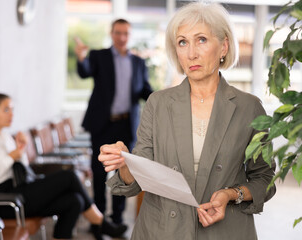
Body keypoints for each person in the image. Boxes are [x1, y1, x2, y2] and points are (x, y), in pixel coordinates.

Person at [98, 2, 276, 240]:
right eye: (183, 42)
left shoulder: (250, 107)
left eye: (201, 39)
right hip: (161, 230)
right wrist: (124, 162)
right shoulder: (157, 103)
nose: (191, 53)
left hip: (225, 231)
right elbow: (138, 180)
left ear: (224, 46)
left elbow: (265, 180)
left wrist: (231, 194)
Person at [0, 93, 127, 240]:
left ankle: (99, 223)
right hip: (1, 201)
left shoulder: (5, 137)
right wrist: (10, 157)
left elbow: (22, 169)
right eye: (6, 110)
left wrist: (20, 151)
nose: (11, 114)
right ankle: (101, 223)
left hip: (18, 190)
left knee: (74, 201)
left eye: (12, 109)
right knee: (69, 177)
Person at [74, 18, 153, 225]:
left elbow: (145, 90)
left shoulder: (138, 62)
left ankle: (117, 219)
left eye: (126, 33)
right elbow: (84, 72)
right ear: (112, 33)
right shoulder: (99, 56)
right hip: (102, 124)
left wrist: (165, 98)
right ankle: (99, 220)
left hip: (126, 126)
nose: (122, 37)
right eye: (118, 33)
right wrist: (81, 56)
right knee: (99, 173)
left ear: (130, 35)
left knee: (123, 172)